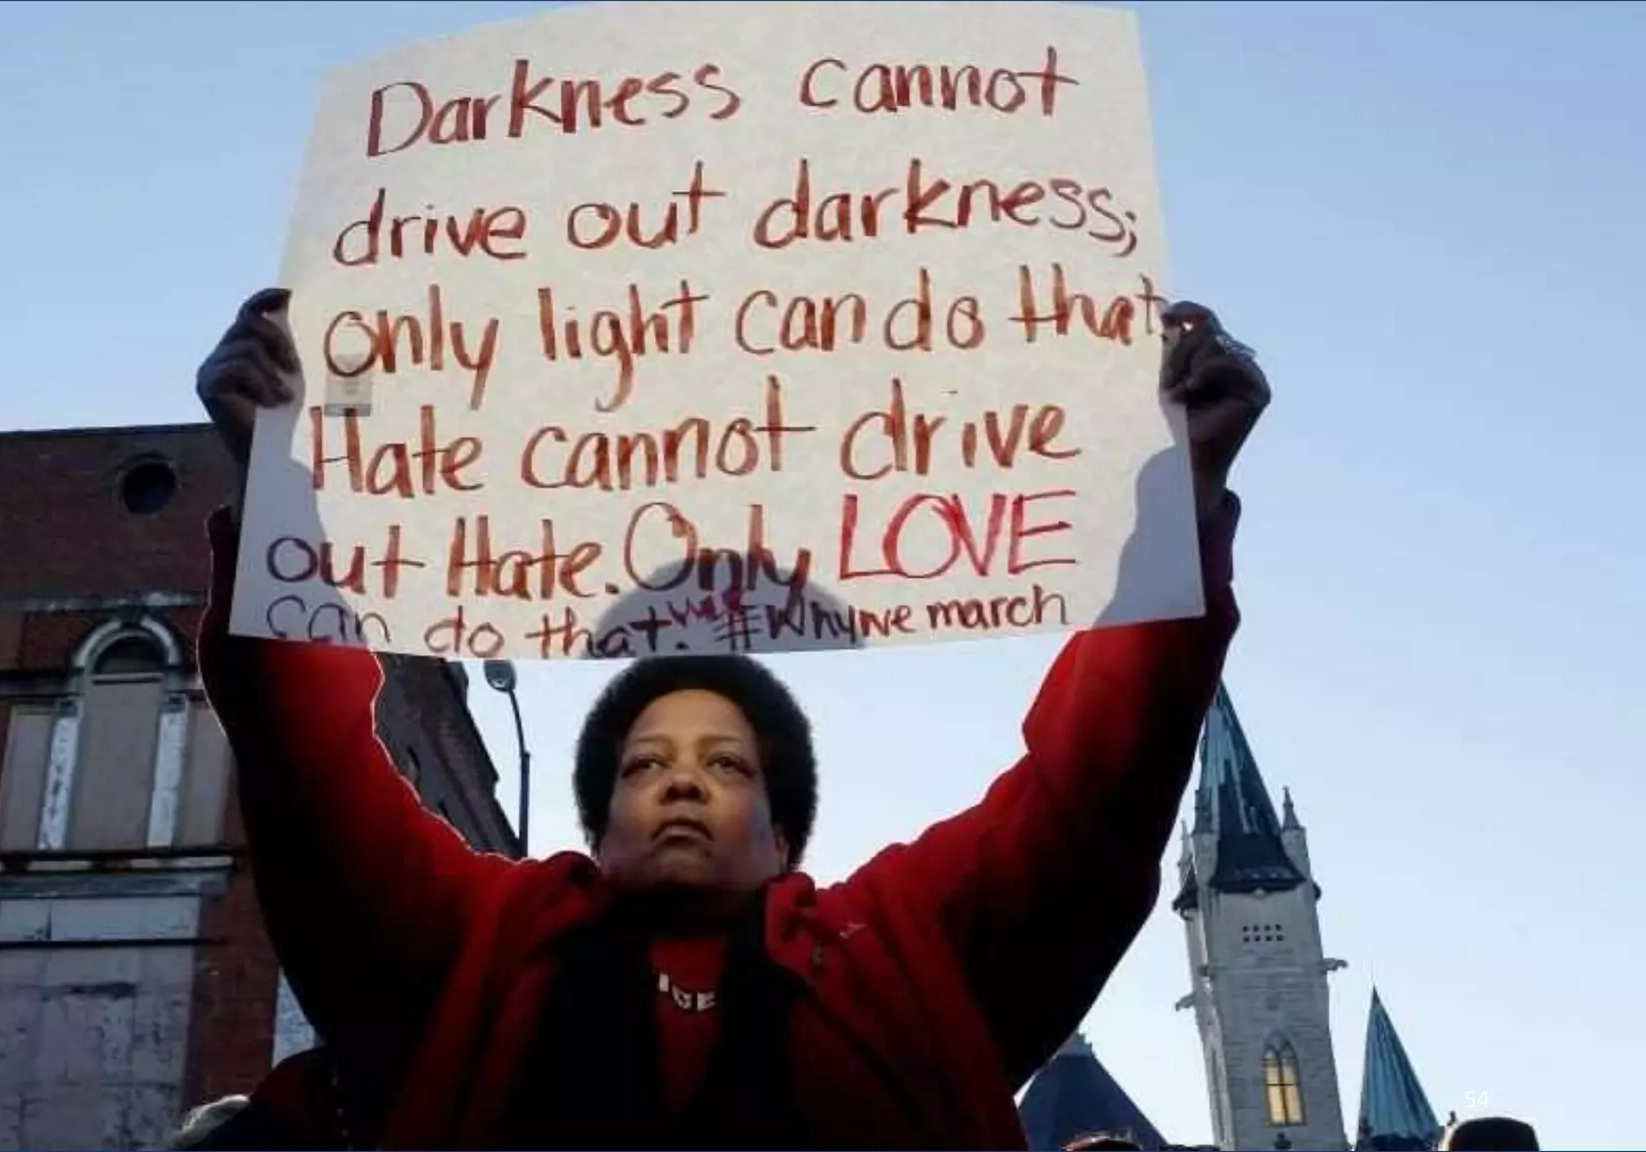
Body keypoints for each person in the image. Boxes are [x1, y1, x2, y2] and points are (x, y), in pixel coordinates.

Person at [193, 287, 1269, 1148]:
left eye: (726, 764)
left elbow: (1094, 792)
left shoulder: (912, 949)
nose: (679, 780)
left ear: (786, 834)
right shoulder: (465, 947)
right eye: (643, 762)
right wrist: (277, 493)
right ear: (597, 826)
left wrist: (1178, 499)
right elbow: (308, 777)